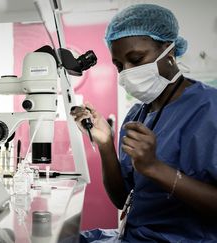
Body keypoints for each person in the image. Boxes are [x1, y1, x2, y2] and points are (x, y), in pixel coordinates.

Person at [70, 4, 217, 242]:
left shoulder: (210, 108)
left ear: (168, 52)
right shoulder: (138, 114)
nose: (126, 72)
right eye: (119, 65)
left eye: (136, 59)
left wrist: (155, 168)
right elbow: (122, 198)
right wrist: (107, 143)